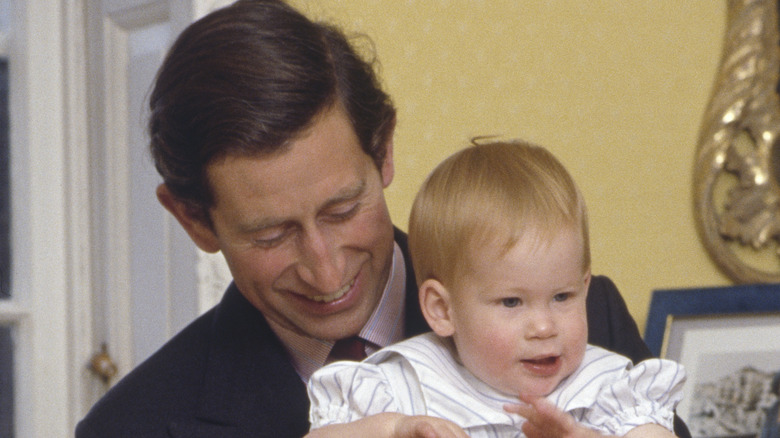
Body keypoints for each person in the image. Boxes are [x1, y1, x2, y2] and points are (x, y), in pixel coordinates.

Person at [75, 1, 690, 437]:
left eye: (343, 209)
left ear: (385, 151)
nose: (326, 267)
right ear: (193, 221)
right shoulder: (136, 425)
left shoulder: (578, 323)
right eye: (272, 233)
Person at [308, 140, 686, 437]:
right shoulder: (401, 386)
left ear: (585, 287)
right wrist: (392, 429)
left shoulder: (608, 387)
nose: (544, 326)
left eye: (562, 297)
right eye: (511, 302)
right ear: (442, 309)